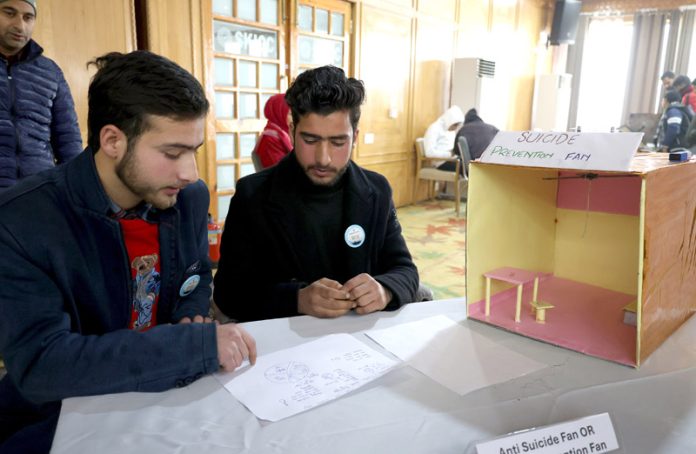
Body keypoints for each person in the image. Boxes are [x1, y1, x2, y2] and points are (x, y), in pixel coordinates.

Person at [0, 51, 256, 452]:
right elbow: (43, 364)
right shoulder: (23, 220)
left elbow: (195, 276)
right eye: (172, 154)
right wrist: (193, 346)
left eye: (194, 150)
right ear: (113, 140)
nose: (190, 172)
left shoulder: (187, 197)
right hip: (66, 410)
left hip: (166, 391)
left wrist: (190, 311)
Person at [213, 65, 419, 322]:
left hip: (362, 342)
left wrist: (384, 289)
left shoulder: (376, 190)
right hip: (286, 346)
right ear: (292, 132)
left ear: (354, 137)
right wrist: (297, 298)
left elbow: (405, 270)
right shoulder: (252, 195)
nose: (323, 158)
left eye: (338, 142)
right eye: (310, 141)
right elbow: (228, 294)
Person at [0, 0, 82, 189]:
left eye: (28, 17)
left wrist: (76, 188)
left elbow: (68, 137)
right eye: (9, 13)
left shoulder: (50, 71)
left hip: (39, 192)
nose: (20, 25)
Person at [442, 108, 498, 174]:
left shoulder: (463, 130)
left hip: (473, 168)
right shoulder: (492, 128)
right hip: (493, 167)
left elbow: (456, 151)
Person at [254, 93, 293, 168]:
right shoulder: (269, 140)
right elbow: (281, 172)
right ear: (278, 113)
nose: (295, 118)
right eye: (291, 114)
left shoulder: (287, 134)